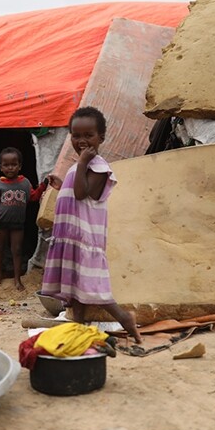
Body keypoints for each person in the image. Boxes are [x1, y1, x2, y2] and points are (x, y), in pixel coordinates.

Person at [40, 106, 143, 343]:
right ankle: (78, 325)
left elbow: (81, 193)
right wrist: (61, 184)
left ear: (101, 138)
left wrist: (82, 163)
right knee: (75, 287)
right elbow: (77, 191)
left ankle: (124, 318)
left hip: (85, 238)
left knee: (92, 287)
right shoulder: (79, 166)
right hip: (71, 236)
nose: (82, 141)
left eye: (88, 135)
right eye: (76, 135)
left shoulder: (98, 167)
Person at [0, 147, 57, 290]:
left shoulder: (24, 183)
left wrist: (43, 186)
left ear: (19, 166)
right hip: (1, 224)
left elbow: (33, 197)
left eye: (14, 164)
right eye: (6, 165)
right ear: (1, 167)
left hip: (18, 224)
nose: (10, 168)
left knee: (17, 250)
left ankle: (17, 279)